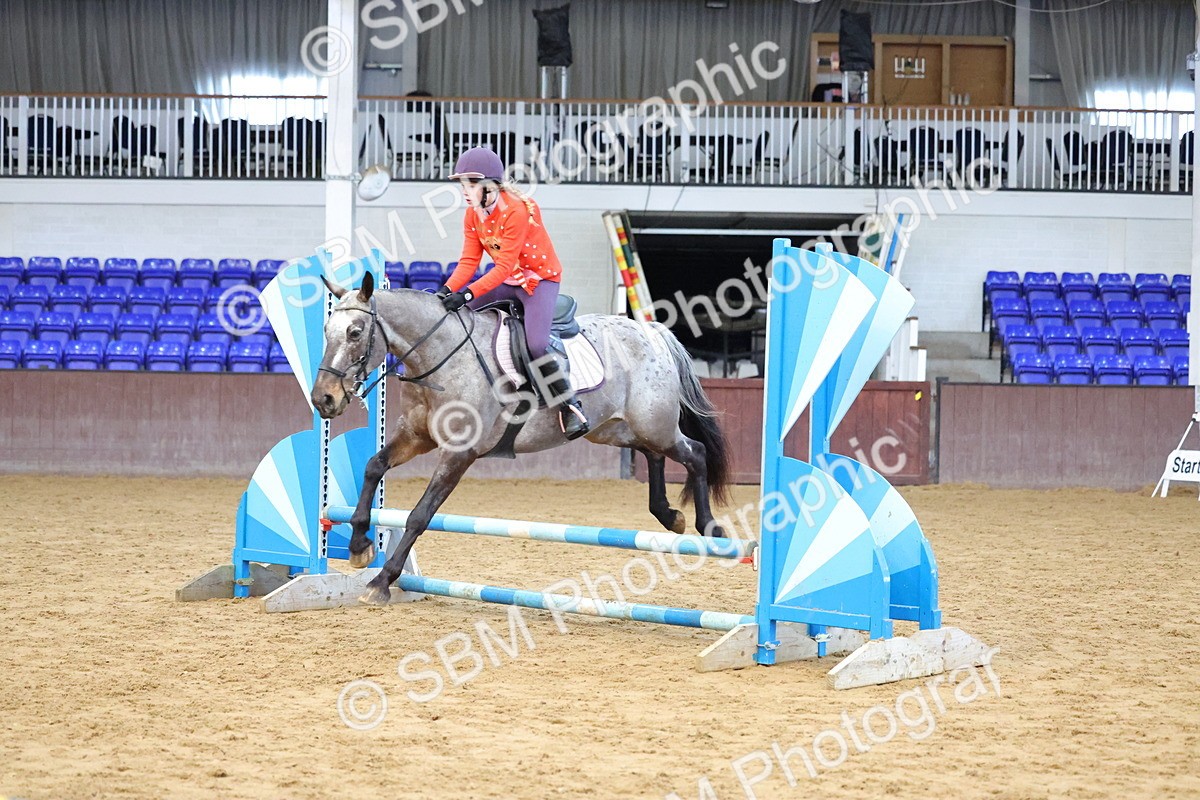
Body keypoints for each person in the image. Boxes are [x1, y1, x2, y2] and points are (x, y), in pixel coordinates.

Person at [437, 147, 589, 440]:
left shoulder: (516, 211)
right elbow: (469, 262)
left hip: (538, 282)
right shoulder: (472, 215)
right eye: (462, 184)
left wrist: (467, 294)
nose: (464, 191)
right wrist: (447, 291)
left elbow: (504, 265)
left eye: (471, 184)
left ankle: (570, 405)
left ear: (490, 186)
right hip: (508, 280)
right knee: (460, 315)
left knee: (536, 344)